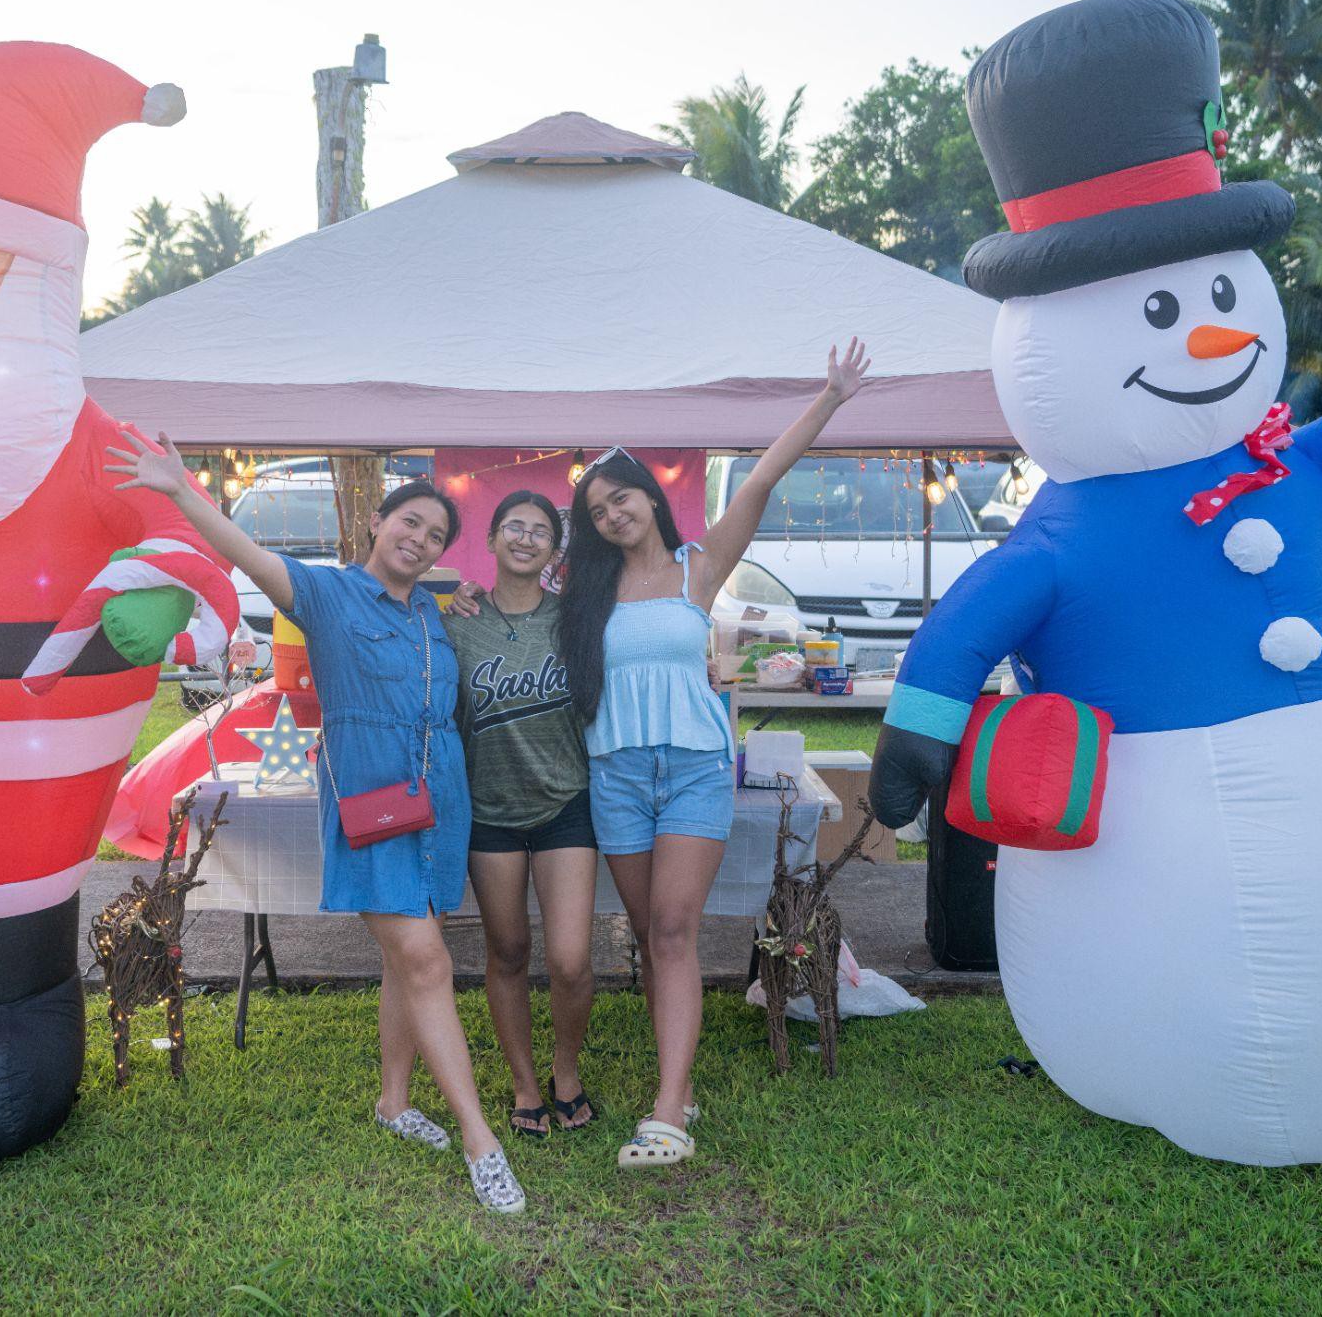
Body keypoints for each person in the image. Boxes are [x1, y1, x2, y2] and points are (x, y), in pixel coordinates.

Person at [106, 433, 526, 1216]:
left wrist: (462, 600)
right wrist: (180, 491)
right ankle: (481, 1140)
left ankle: (395, 1102)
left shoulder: (434, 614)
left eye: (436, 536)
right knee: (428, 961)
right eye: (411, 524)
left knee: (413, 954)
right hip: (372, 802)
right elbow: (247, 552)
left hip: (442, 800)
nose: (420, 540)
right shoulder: (327, 595)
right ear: (377, 521)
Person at [560, 339, 870, 1169]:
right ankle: (679, 1079)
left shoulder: (699, 568)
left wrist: (830, 397)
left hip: (693, 766)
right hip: (614, 773)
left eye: (620, 498)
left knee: (671, 927)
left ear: (649, 499)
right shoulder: (587, 590)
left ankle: (669, 1110)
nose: (612, 514)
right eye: (597, 510)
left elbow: (763, 478)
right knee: (648, 928)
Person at [448, 491, 600, 1138]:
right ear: (492, 537)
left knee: (569, 957)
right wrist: (440, 593)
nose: (527, 537)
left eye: (542, 531)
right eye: (516, 526)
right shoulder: (458, 618)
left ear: (554, 550)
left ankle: (566, 1070)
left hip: (566, 799)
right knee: (508, 949)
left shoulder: (574, 620)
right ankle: (524, 1083)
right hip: (490, 809)